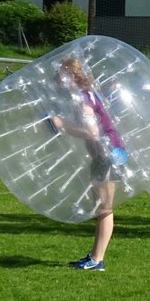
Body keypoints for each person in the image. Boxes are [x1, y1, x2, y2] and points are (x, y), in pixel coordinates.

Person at [47, 56, 124, 272]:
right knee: (101, 207)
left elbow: (92, 132)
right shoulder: (87, 95)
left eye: (61, 77)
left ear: (71, 76)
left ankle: (97, 260)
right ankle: (95, 257)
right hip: (106, 154)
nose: (59, 82)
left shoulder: (84, 98)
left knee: (104, 208)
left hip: (107, 155)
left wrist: (62, 124)